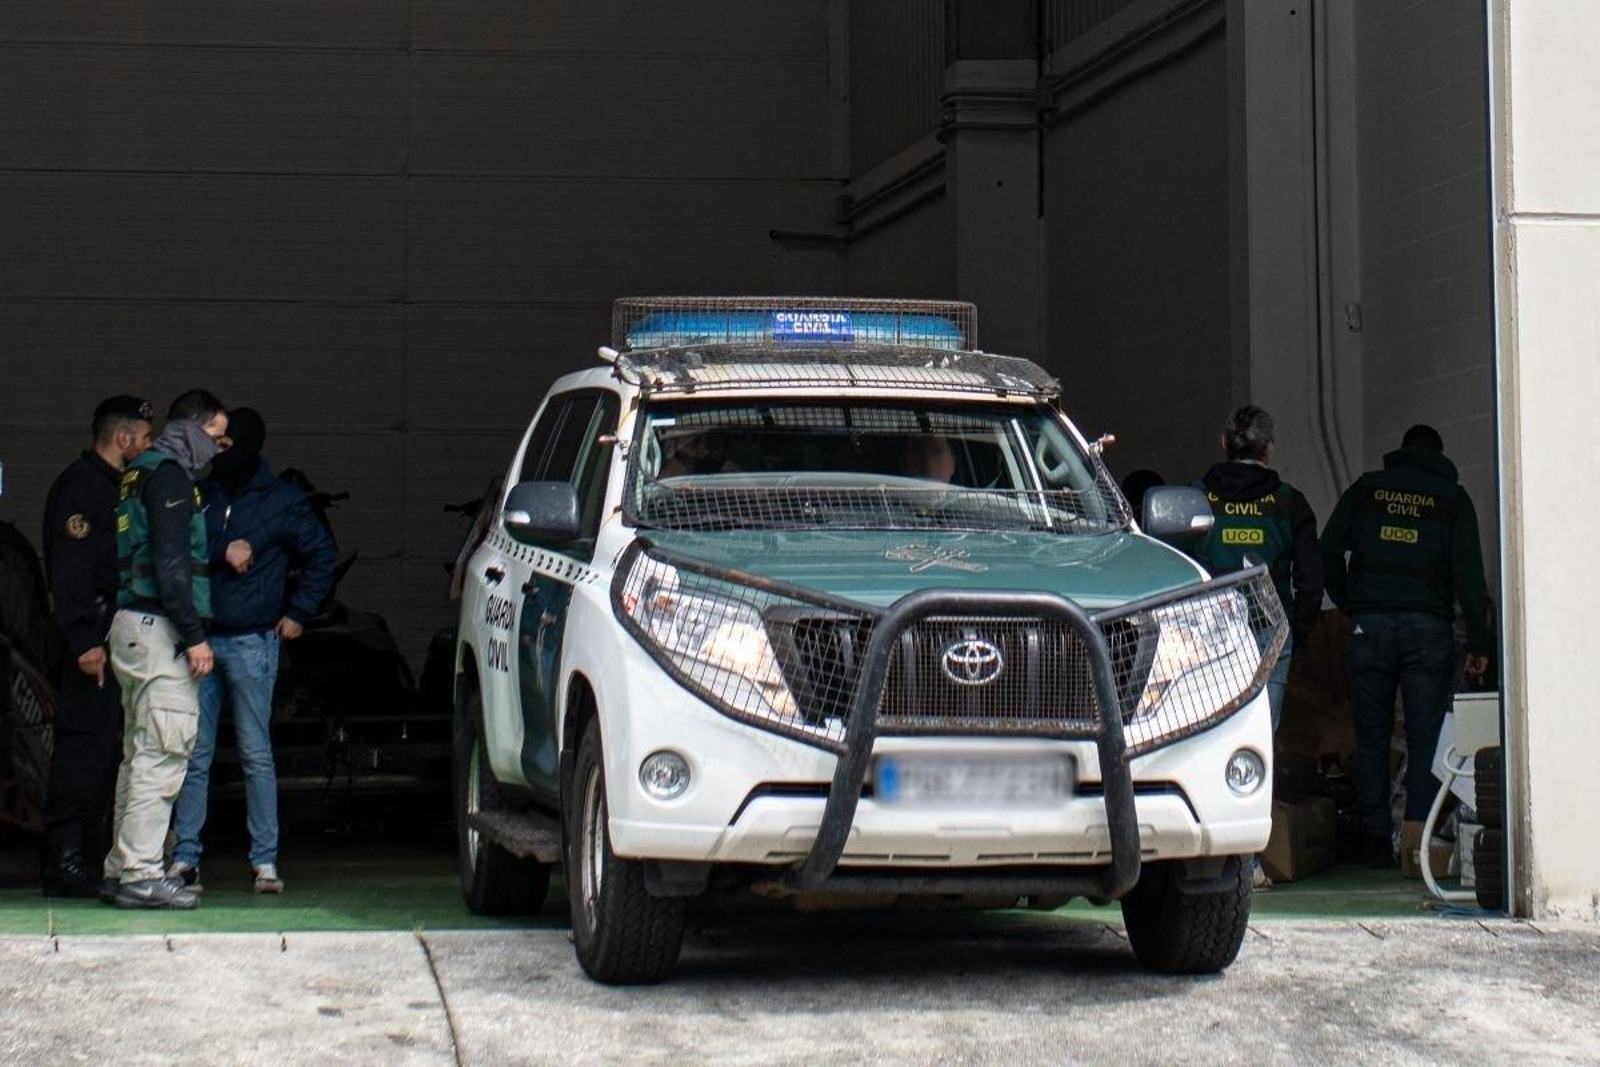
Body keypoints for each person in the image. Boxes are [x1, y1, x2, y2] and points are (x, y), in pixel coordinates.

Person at [169, 408, 335, 895]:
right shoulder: (198, 494)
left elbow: (321, 554)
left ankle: (264, 861)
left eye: (226, 445)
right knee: (193, 754)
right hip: (201, 640)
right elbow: (176, 545)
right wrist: (224, 550)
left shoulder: (282, 501)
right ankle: (185, 859)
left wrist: (299, 612)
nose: (221, 454)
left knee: (255, 754)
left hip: (253, 640)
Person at [1321, 424, 1492, 867]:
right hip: (1427, 633)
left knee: (1372, 737)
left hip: (1370, 628)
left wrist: (1351, 602)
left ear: (1403, 451)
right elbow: (1471, 580)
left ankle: (1377, 839)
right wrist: (1480, 640)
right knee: (1425, 738)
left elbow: (1326, 551)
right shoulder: (1452, 499)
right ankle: (1415, 843)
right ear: (1438, 455)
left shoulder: (1367, 490)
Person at [102, 390, 228, 909]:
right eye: (217, 438)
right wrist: (195, 636)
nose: (221, 449)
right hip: (161, 633)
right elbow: (173, 563)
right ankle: (141, 872)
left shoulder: (139, 473)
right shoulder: (171, 476)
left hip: (132, 624)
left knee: (138, 756)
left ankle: (122, 867)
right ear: (195, 432)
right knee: (163, 754)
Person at [38, 396, 153, 897]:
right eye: (145, 438)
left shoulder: (118, 488)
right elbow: (71, 571)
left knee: (106, 751)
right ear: (123, 437)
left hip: (112, 635)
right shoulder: (81, 488)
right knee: (83, 749)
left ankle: (88, 858)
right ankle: (64, 862)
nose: (148, 447)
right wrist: (84, 639)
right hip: (90, 640)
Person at [1193, 407, 1323, 729]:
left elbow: (1174, 568)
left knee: (1209, 733)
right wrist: (1296, 631)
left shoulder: (1197, 497)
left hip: (1209, 632)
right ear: (1269, 449)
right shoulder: (1289, 502)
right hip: (1271, 628)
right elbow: (1311, 581)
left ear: (1223, 442)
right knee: (1261, 736)